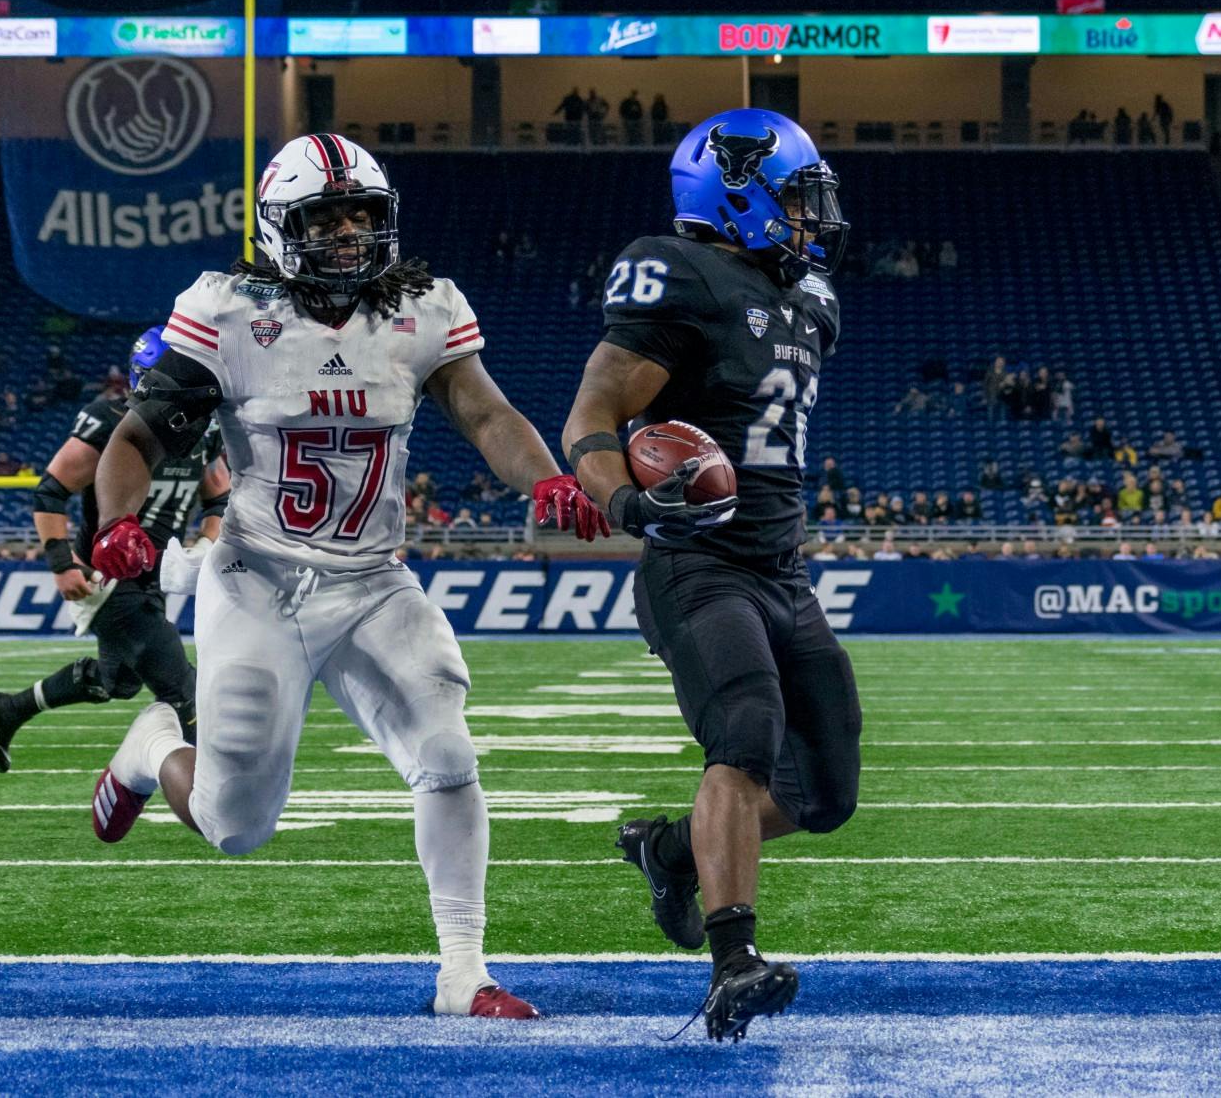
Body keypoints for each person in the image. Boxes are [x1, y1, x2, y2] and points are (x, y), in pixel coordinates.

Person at [85, 133, 605, 1021]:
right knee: (236, 826)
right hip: (257, 580)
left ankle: (462, 973)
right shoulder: (228, 309)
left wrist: (549, 475)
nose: (351, 233)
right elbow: (135, 438)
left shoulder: (424, 306)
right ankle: (149, 748)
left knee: (446, 751)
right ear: (283, 226)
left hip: (371, 580)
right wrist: (119, 523)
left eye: (364, 213)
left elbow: (484, 410)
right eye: (328, 217)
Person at [561, 108, 857, 1042]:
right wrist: (627, 503)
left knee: (828, 793)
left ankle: (668, 847)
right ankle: (735, 959)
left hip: (782, 567)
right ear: (737, 190)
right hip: (699, 562)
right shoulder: (679, 271)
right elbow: (593, 414)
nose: (815, 214)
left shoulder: (808, 297)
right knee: (745, 734)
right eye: (798, 193)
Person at [0, 328, 231, 775]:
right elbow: (51, 492)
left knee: (119, 681)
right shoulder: (111, 422)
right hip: (110, 578)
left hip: (154, 576)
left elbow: (218, 498)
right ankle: (216, 792)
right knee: (185, 689)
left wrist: (206, 543)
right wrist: (61, 562)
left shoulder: (200, 430)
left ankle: (7, 709)